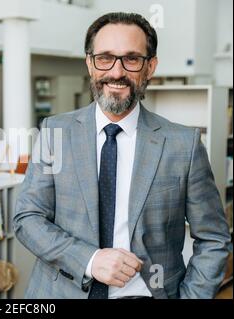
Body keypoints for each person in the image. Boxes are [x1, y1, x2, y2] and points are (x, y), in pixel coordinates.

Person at [14, 12, 230, 299]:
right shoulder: (55, 130)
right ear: (90, 64)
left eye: (131, 59)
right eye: (105, 58)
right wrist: (89, 260)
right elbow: (27, 218)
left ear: (150, 66)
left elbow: (213, 238)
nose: (116, 72)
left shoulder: (184, 145)